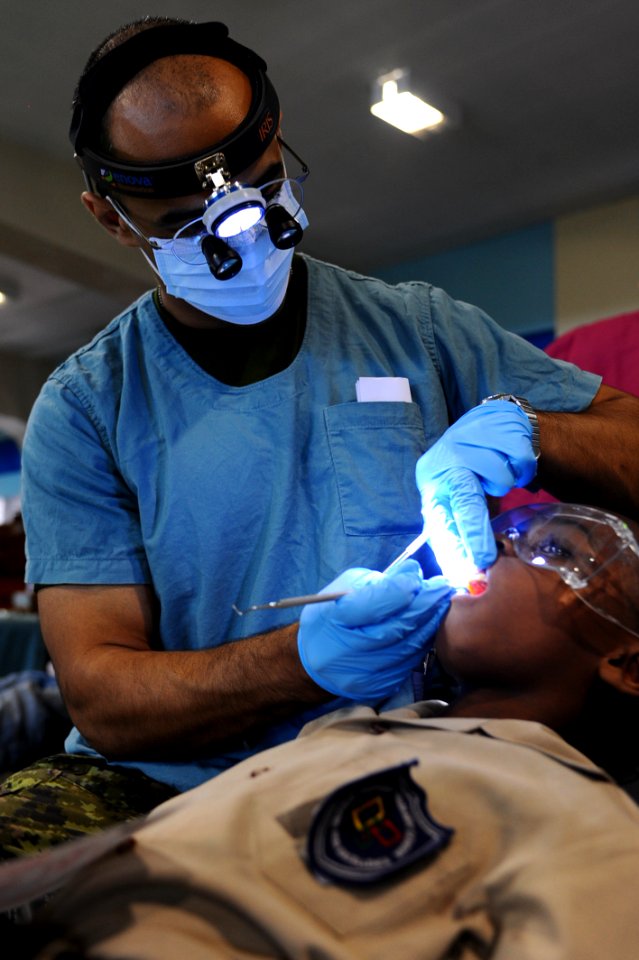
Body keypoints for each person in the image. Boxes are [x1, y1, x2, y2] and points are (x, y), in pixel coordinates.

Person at [8, 15, 639, 855]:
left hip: (405, 754)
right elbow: (104, 698)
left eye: (260, 186)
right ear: (112, 217)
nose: (243, 236)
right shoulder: (88, 406)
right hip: (165, 779)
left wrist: (530, 429)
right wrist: (304, 659)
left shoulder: (414, 330)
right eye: (186, 217)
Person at [6, 501, 639, 958]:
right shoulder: (349, 732)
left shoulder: (580, 819)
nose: (490, 545)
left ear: (628, 663)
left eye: (553, 550)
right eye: (503, 530)